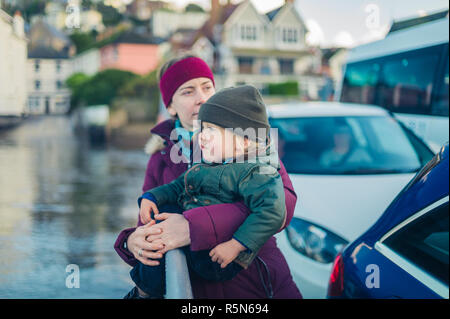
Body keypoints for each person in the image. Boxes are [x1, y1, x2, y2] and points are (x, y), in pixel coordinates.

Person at [114, 55, 302, 299]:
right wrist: (131, 243)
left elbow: (283, 203)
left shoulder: (246, 137)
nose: (201, 97)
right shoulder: (160, 157)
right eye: (188, 91)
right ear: (170, 106)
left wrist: (194, 226)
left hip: (257, 282)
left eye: (207, 87)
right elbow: (150, 219)